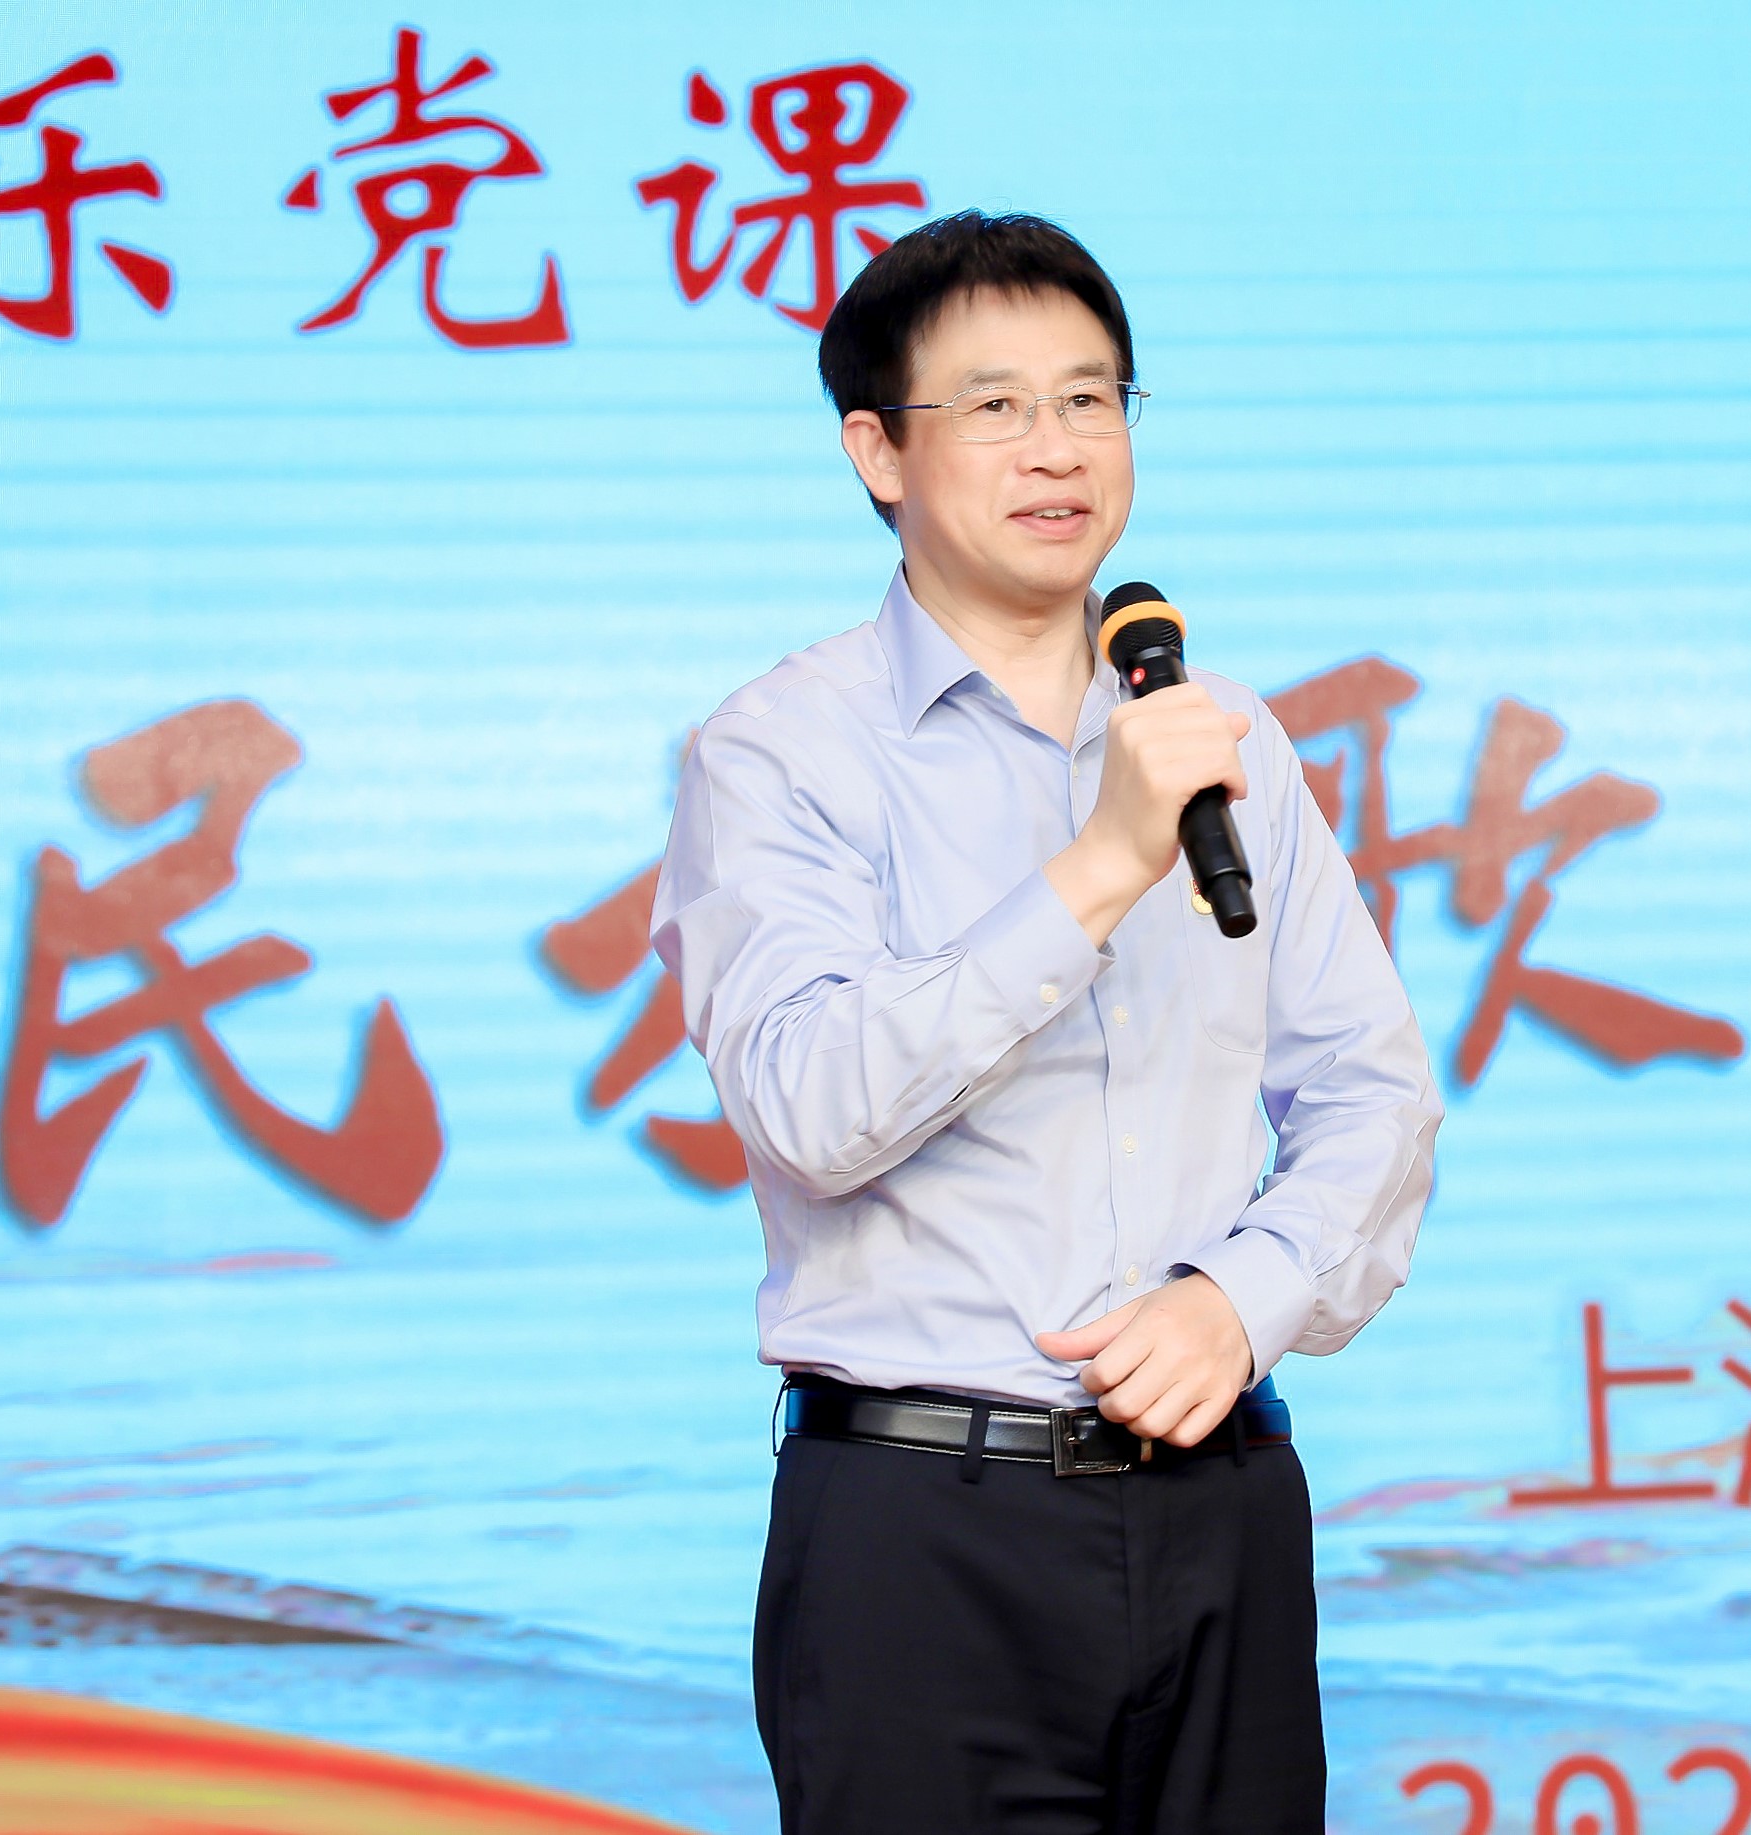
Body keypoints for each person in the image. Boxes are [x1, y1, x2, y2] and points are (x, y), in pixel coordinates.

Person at [650, 209, 1440, 1835]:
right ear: (878, 451)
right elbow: (808, 1105)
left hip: (1222, 1500)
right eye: (995, 405)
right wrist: (1095, 868)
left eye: (1090, 400)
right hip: (922, 1527)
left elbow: (1371, 1091)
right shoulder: (783, 753)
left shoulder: (1223, 740)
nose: (1056, 448)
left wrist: (1241, 1300)